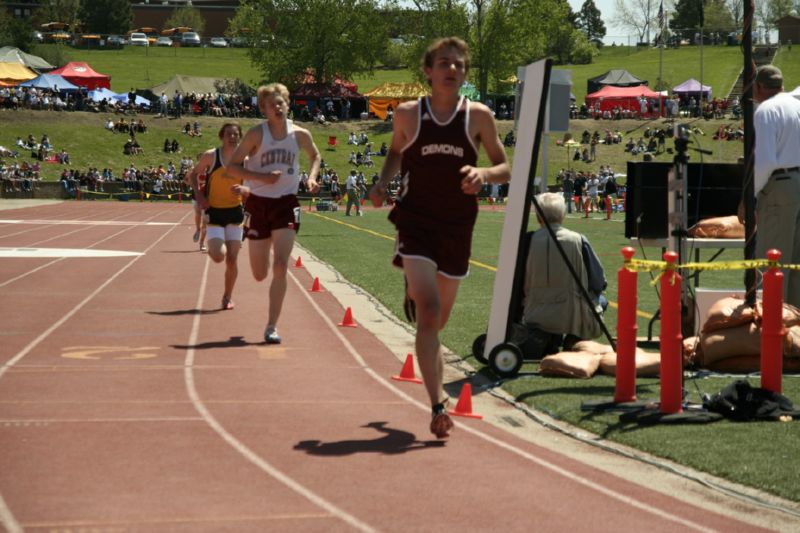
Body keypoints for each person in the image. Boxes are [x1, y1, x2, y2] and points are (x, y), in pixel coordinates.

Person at [368, 37, 510, 439]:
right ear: (428, 71)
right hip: (415, 222)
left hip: (457, 227)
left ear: (464, 74)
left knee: (438, 320)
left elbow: (505, 167)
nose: (452, 69)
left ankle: (415, 288)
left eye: (459, 65)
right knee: (428, 314)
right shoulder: (408, 115)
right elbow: (396, 153)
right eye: (444, 63)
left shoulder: (479, 116)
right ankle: (436, 406)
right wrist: (382, 184)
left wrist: (484, 175)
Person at [226, 83, 321, 344]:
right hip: (257, 203)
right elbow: (231, 168)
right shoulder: (257, 135)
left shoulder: (300, 134)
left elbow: (315, 155)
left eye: (281, 103)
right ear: (264, 109)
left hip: (287, 204)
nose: (277, 108)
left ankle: (271, 326)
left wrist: (311, 178)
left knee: (281, 265)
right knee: (259, 273)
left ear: (288, 104)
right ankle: (263, 244)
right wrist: (261, 178)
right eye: (272, 105)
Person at [521, 193, 607, 356]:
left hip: (534, 310)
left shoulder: (528, 240)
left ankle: (547, 337)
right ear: (563, 215)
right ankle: (574, 338)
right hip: (573, 313)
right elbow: (598, 282)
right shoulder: (579, 239)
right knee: (602, 301)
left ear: (539, 217)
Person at [745, 65, 800, 307]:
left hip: (779, 186)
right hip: (796, 183)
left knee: (771, 262)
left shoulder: (766, 110)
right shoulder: (795, 105)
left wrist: (750, 197)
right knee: (794, 264)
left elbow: (766, 161)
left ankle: (768, 328)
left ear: (758, 87)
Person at [187, 123, 245, 310]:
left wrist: (245, 190)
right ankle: (220, 247)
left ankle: (227, 297)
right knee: (219, 256)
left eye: (236, 134)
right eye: (229, 134)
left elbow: (256, 182)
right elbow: (193, 174)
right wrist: (200, 195)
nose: (233, 137)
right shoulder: (211, 156)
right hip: (215, 212)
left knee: (233, 259)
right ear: (222, 136)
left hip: (235, 212)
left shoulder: (246, 159)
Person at [184, 152, 207, 252]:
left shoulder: (210, 169)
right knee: (198, 214)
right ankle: (198, 229)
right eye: (201, 159)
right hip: (196, 196)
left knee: (205, 221)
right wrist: (192, 184)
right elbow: (185, 180)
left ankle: (201, 242)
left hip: (207, 197)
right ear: (198, 160)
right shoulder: (193, 170)